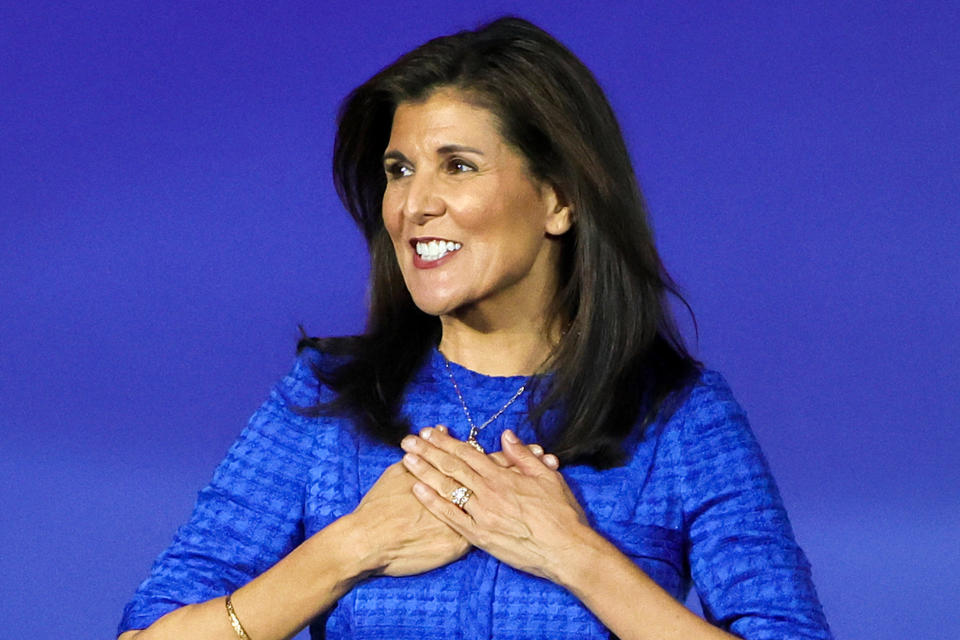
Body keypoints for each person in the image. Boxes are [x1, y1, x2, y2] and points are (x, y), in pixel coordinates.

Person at [118, 16, 832, 640]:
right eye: (399, 170)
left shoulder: (679, 420)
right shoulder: (325, 405)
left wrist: (577, 556)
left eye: (457, 166)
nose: (413, 206)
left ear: (559, 199)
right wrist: (346, 550)